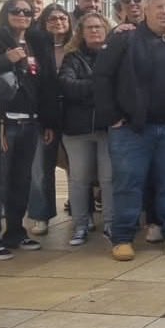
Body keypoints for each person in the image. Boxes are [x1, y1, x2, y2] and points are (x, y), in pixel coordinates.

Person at [94, 0, 165, 261]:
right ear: (146, 10)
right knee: (128, 184)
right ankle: (122, 238)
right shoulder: (125, 40)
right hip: (132, 129)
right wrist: (112, 116)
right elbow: (101, 78)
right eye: (159, 7)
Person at [0, 0, 47, 259]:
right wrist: (5, 59)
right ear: (5, 14)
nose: (22, 15)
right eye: (16, 11)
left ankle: (15, 232)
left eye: (27, 12)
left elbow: (43, 83)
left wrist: (47, 119)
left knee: (20, 181)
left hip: (29, 121)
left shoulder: (36, 43)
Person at [59, 12, 114, 245]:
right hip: (77, 129)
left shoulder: (114, 55)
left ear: (106, 30)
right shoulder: (72, 57)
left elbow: (120, 87)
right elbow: (67, 86)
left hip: (108, 127)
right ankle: (80, 225)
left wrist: (89, 89)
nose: (94, 31)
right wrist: (99, 86)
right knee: (79, 179)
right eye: (89, 27)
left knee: (109, 178)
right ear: (80, 33)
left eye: (98, 27)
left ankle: (111, 224)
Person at [27, 4, 70, 237]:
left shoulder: (76, 47)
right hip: (46, 114)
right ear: (43, 22)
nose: (58, 22)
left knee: (78, 167)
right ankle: (41, 216)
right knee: (42, 168)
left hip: (74, 113)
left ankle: (79, 210)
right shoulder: (36, 49)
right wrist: (46, 121)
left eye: (63, 18)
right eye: (52, 18)